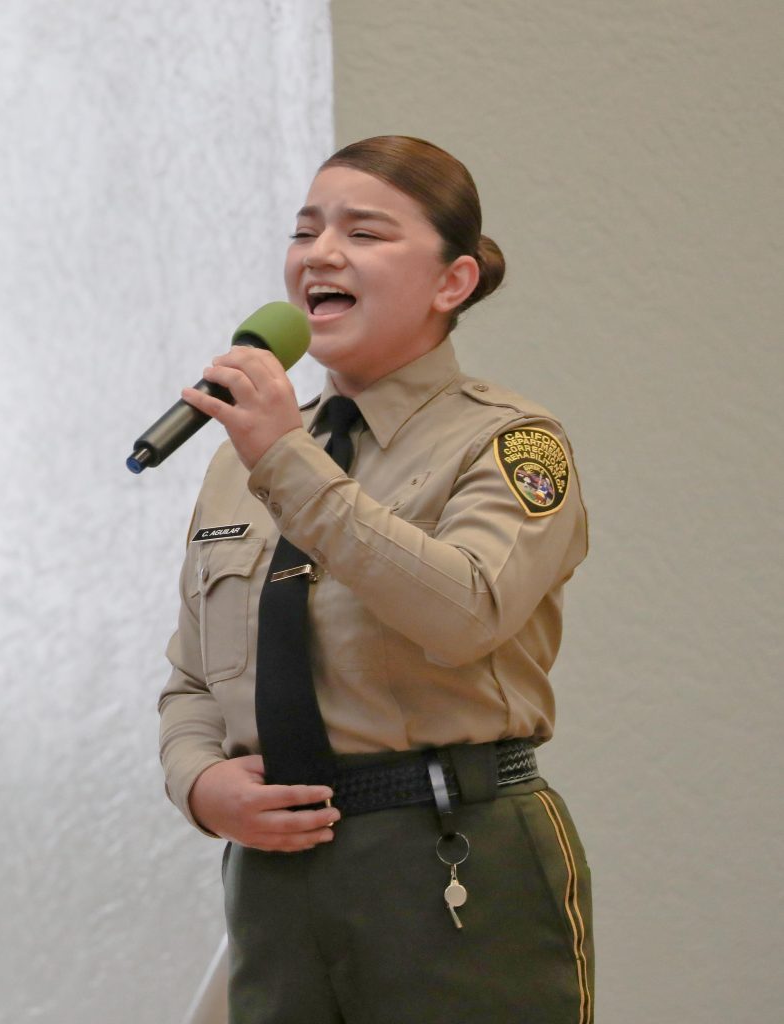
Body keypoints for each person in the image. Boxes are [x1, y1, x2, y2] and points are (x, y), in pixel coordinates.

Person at [159, 135, 593, 1024]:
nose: (320, 253)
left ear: (452, 283)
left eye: (364, 233)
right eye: (305, 230)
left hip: (453, 857)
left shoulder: (507, 442)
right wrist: (199, 782)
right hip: (276, 875)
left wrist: (287, 460)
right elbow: (194, 679)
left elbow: (465, 610)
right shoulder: (245, 460)